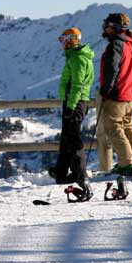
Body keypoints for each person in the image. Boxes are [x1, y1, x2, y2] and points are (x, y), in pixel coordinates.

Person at [98, 13, 132, 175]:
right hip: (128, 96)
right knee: (128, 128)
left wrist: (106, 90)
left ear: (114, 27)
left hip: (116, 96)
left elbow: (111, 69)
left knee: (114, 129)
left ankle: (126, 164)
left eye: (107, 25)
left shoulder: (116, 45)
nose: (105, 28)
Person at [48, 27, 95, 199]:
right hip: (72, 102)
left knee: (73, 140)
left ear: (72, 40)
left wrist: (70, 106)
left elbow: (77, 85)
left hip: (75, 103)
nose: (62, 44)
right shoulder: (74, 57)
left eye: (64, 40)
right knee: (67, 137)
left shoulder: (78, 59)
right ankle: (61, 172)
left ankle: (82, 178)